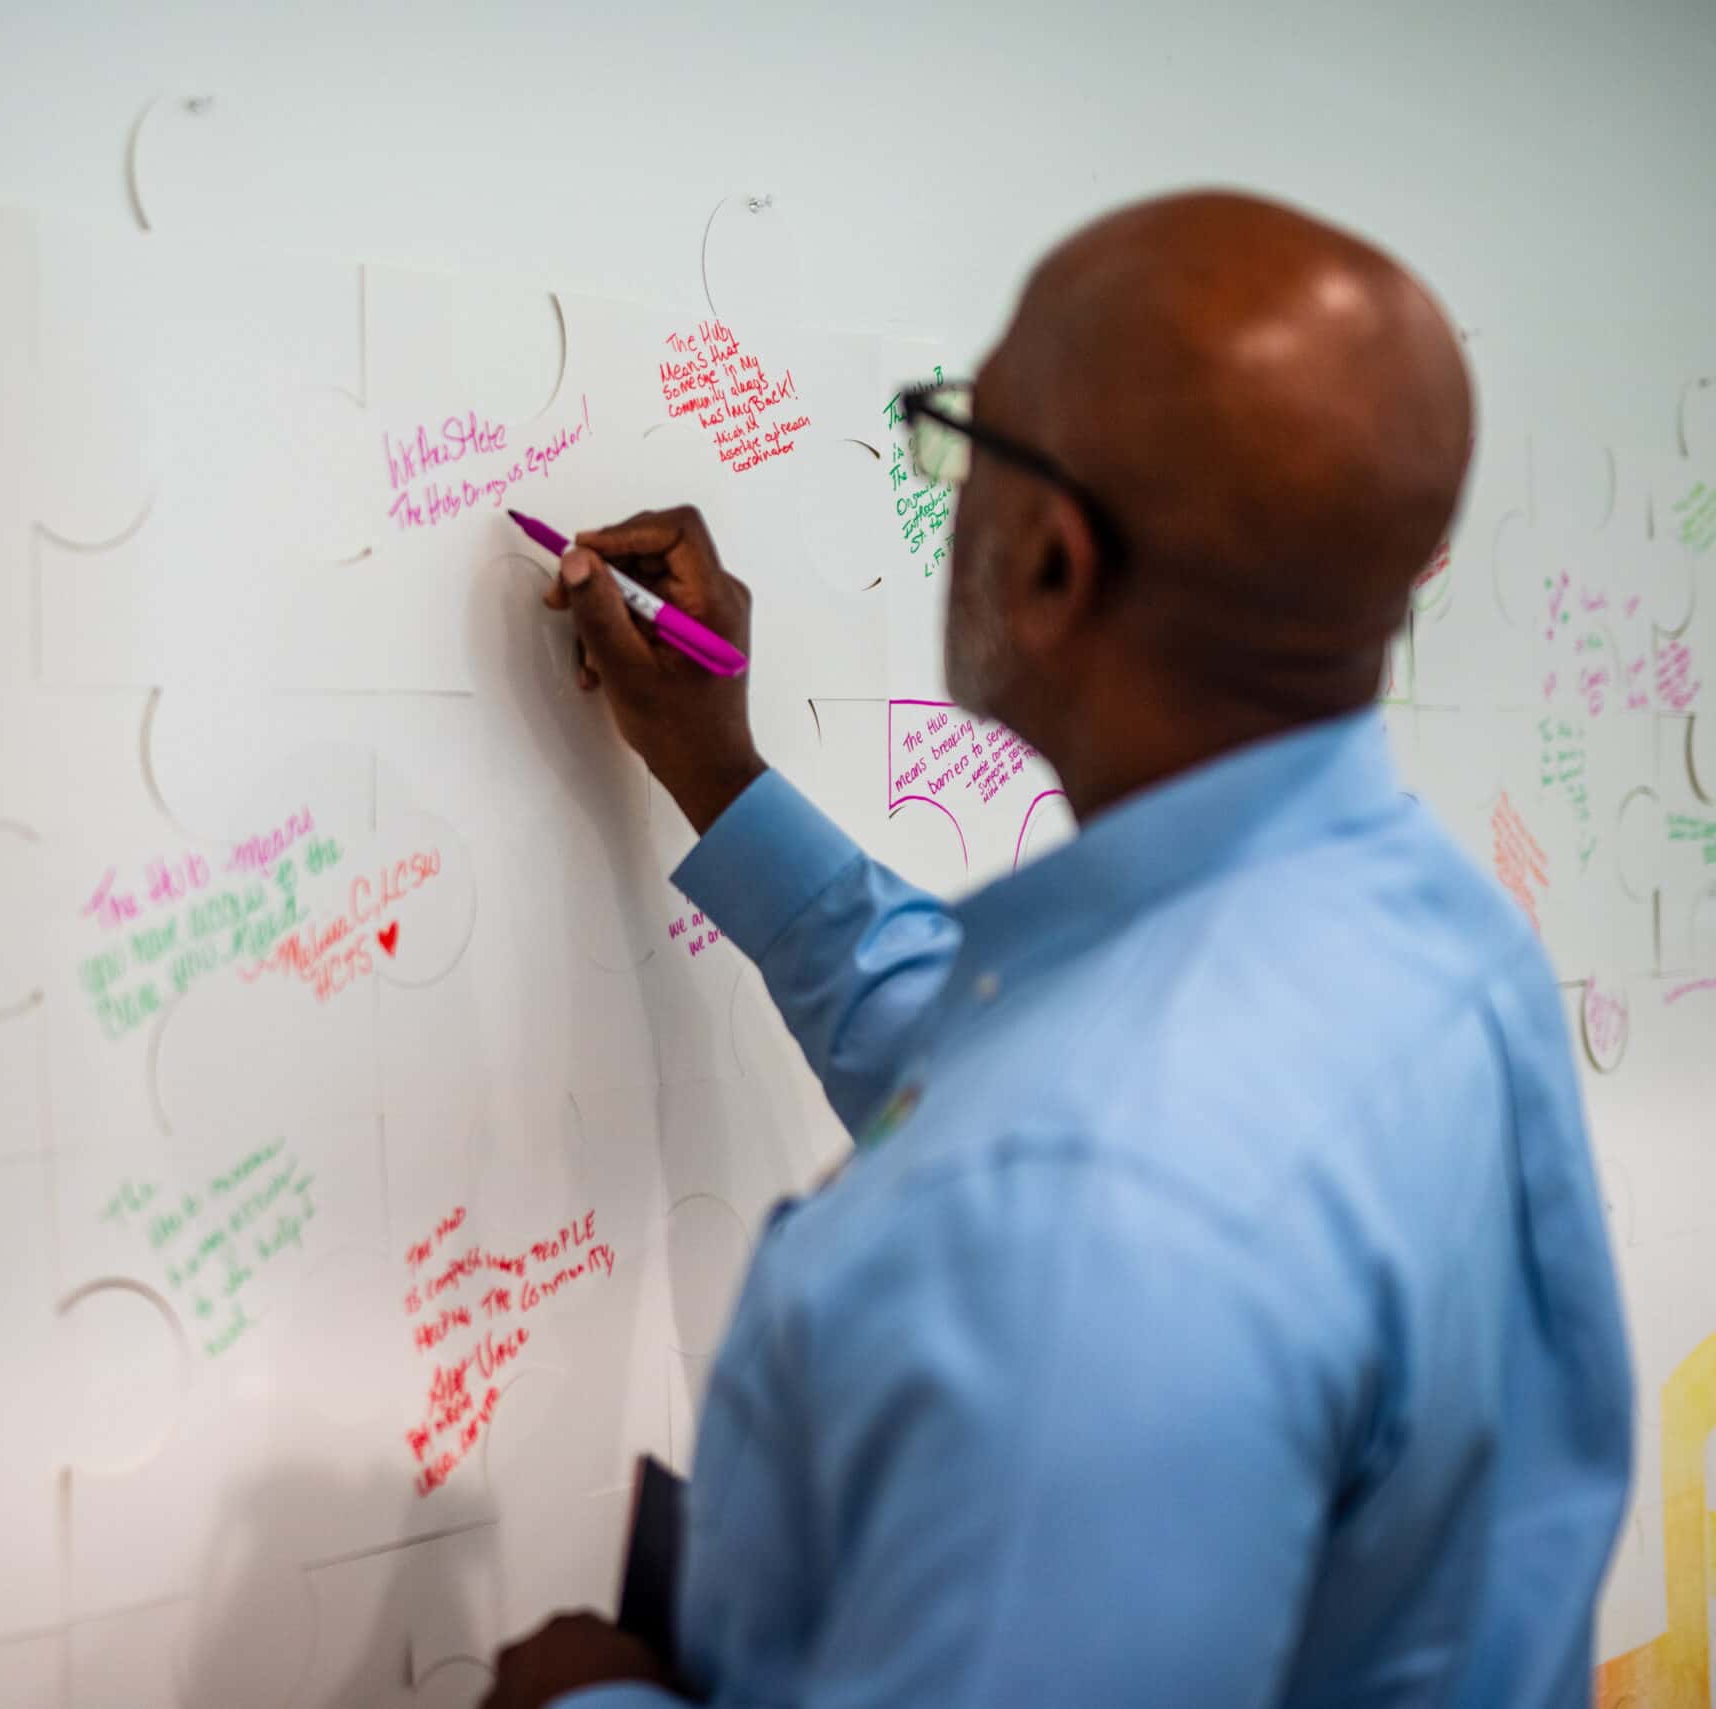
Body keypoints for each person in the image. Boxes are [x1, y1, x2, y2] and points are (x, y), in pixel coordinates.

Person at [481, 191, 1633, 1709]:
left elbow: (1072, 1151)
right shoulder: (1432, 940)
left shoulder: (1085, 1216)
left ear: (1052, 564)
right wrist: (721, 773)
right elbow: (1007, 1070)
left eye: (965, 442)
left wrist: (581, 1701)